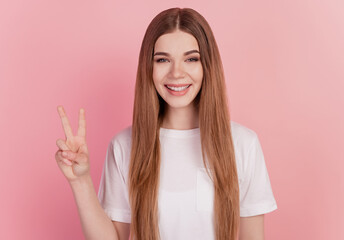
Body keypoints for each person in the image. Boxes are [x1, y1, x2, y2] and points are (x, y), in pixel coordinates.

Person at [55, 7, 277, 240]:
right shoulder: (124, 145)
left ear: (207, 66)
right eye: (163, 60)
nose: (176, 73)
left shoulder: (243, 144)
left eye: (191, 59)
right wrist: (80, 181)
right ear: (149, 68)